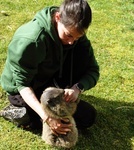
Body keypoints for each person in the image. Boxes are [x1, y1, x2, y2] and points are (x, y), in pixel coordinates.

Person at [0, 0, 99, 135]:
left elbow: (93, 70)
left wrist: (77, 88)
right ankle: (18, 112)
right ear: (57, 17)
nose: (72, 41)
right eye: (69, 35)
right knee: (47, 123)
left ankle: (42, 111)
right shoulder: (31, 41)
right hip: (23, 88)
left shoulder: (75, 32)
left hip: (50, 78)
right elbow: (22, 84)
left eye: (77, 37)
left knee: (87, 117)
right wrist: (47, 117)